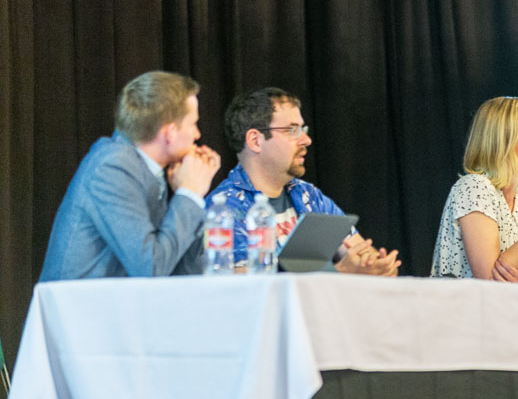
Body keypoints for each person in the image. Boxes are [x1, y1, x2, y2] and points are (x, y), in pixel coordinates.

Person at [39, 71, 221, 281]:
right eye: (193, 124)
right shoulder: (114, 167)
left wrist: (188, 193)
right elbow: (150, 268)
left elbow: (184, 272)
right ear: (170, 133)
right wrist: (189, 194)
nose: (197, 135)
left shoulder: (143, 168)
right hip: (82, 302)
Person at [207, 87, 399, 275]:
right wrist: (338, 271)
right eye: (292, 130)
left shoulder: (309, 195)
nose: (306, 140)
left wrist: (377, 266)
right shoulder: (224, 209)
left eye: (303, 129)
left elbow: (360, 251)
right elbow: (241, 283)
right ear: (255, 141)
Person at [430, 96, 518, 282]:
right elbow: (489, 279)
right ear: (504, 142)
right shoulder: (474, 187)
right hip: (464, 300)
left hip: (510, 301)